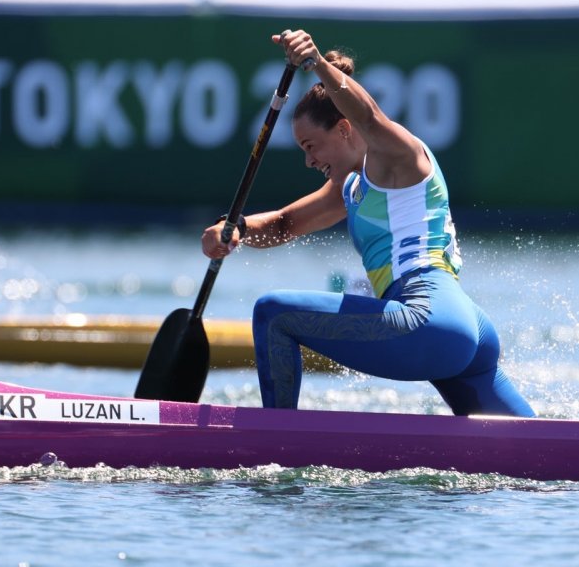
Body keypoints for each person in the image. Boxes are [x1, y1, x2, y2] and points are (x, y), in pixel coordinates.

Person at [201, 29, 533, 417]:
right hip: (463, 326)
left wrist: (316, 63)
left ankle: (277, 442)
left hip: (427, 317)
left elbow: (369, 117)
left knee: (273, 314)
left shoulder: (398, 156)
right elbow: (285, 223)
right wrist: (234, 228)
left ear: (344, 129)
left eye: (311, 146)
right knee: (534, 448)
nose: (308, 161)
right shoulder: (353, 186)